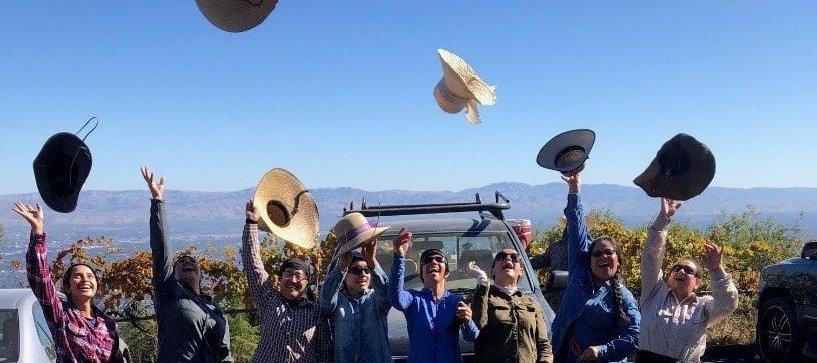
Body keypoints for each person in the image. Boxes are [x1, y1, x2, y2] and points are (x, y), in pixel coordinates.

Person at [14, 201, 125, 363]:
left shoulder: (108, 325)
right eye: (78, 276)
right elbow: (41, 280)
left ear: (96, 285)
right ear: (67, 285)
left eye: (90, 276)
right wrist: (38, 231)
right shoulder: (62, 315)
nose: (85, 280)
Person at [142, 167, 232, 362]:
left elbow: (225, 354)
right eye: (181, 262)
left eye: (193, 261)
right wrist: (158, 202)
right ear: (173, 273)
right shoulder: (169, 292)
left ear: (201, 274)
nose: (188, 262)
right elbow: (161, 249)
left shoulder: (214, 308)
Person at [550, 171, 640, 363]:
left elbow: (635, 337)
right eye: (597, 253)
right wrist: (574, 189)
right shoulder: (579, 273)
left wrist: (601, 350)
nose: (603, 256)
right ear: (588, 260)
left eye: (609, 253)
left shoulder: (624, 297)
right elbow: (576, 229)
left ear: (619, 262)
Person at [635, 198, 739, 363]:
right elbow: (651, 257)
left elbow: (728, 303)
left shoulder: (703, 307)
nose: (681, 271)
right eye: (676, 268)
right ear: (669, 277)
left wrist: (716, 270)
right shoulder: (654, 293)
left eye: (689, 270)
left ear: (697, 283)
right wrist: (663, 219)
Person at [243, 200, 332, 362]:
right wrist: (251, 223)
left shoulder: (316, 312)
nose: (292, 279)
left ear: (307, 283)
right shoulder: (268, 298)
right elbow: (253, 264)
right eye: (288, 274)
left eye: (299, 276)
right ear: (280, 277)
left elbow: (325, 353)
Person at [388, 228, 479, 362]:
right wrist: (399, 256)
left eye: (439, 259)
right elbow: (395, 298)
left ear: (446, 273)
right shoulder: (413, 299)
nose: (433, 262)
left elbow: (472, 337)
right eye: (428, 260)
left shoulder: (457, 301)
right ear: (422, 274)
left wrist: (468, 321)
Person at [468, 249, 554, 363]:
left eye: (514, 258)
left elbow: (543, 344)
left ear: (521, 271)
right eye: (501, 256)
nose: (508, 259)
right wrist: (482, 282)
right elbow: (478, 325)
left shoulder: (531, 302)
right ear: (492, 270)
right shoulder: (483, 297)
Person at [320, 240, 391, 362]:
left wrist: (372, 263)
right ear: (345, 276)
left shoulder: (376, 299)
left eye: (367, 270)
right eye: (357, 270)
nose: (363, 274)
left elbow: (387, 294)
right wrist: (341, 267)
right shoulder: (337, 301)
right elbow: (326, 301)